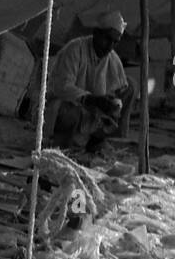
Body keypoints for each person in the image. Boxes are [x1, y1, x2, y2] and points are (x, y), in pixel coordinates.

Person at [44, 9, 134, 152]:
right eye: (107, 39)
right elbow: (61, 87)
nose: (110, 46)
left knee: (130, 87)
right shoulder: (75, 49)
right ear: (96, 33)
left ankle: (96, 141)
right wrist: (91, 99)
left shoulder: (112, 58)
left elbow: (117, 87)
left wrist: (112, 102)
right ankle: (61, 145)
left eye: (114, 42)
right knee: (69, 111)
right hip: (64, 105)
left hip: (92, 111)